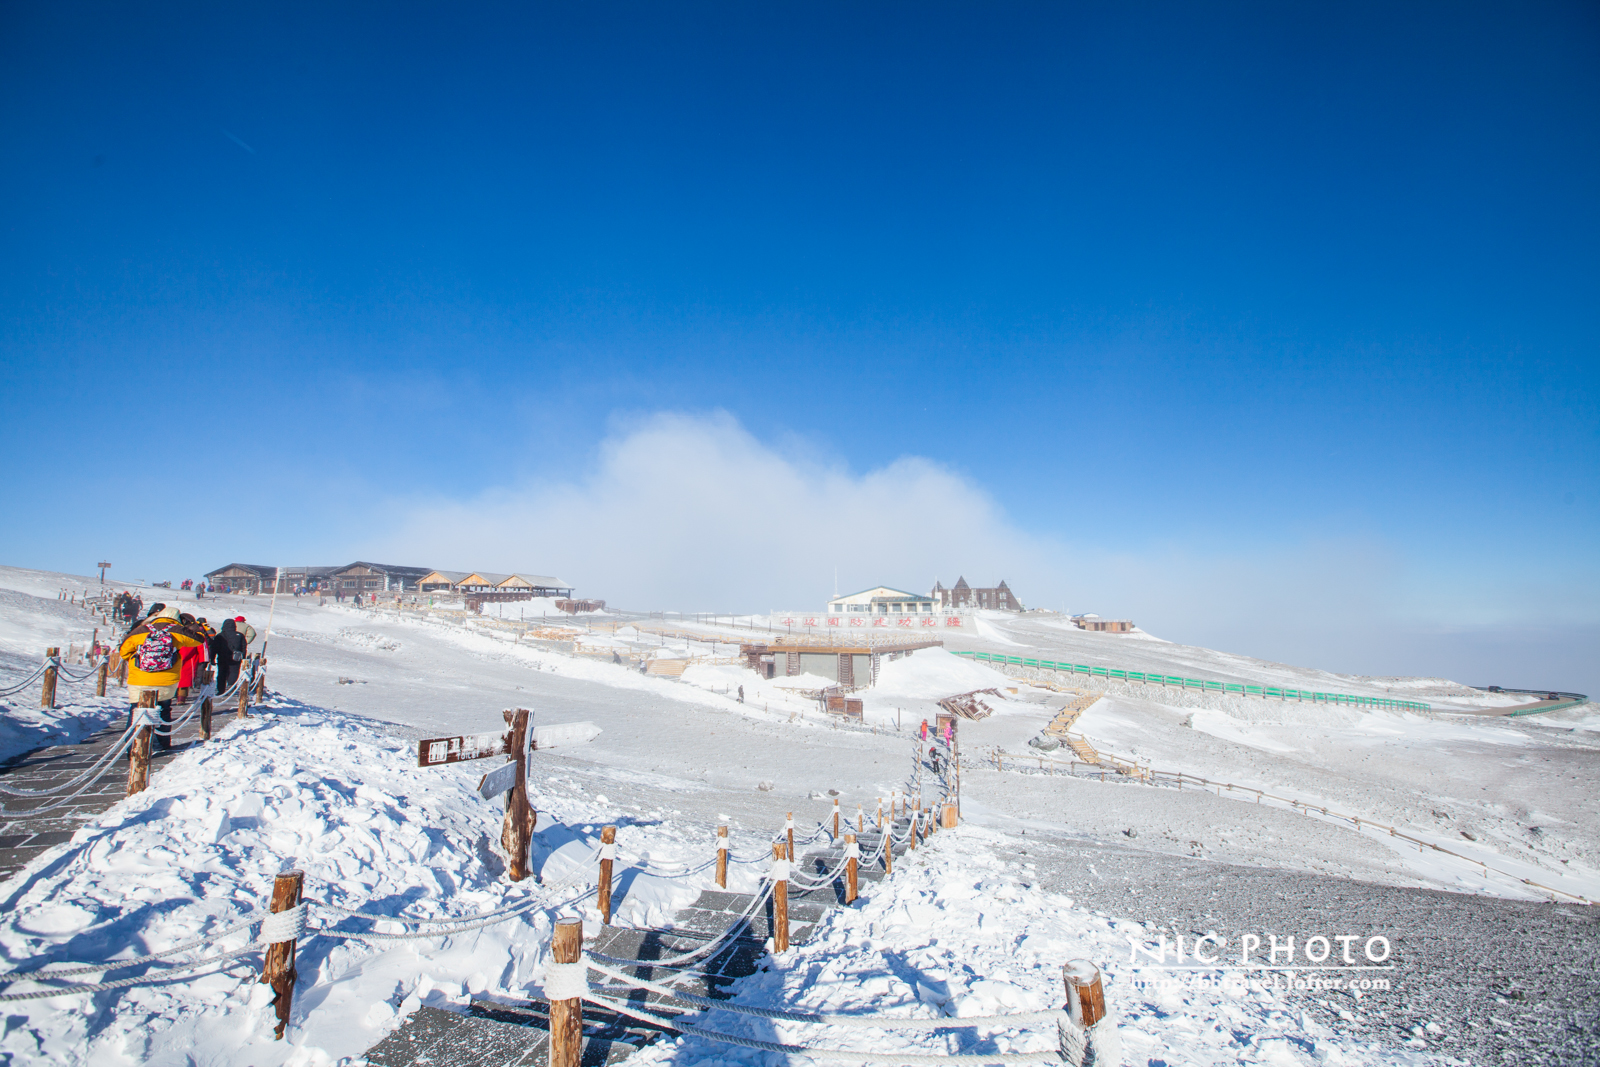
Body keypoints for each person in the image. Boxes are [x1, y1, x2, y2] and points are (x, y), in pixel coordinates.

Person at [119, 606, 205, 752]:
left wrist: (138, 662)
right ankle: (161, 745)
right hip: (166, 679)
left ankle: (132, 748)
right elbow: (199, 639)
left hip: (139, 679)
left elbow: (123, 652)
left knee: (135, 711)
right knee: (163, 710)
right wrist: (187, 627)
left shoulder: (142, 630)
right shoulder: (177, 631)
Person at [211, 618, 247, 693]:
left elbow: (214, 648)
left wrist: (212, 658)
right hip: (235, 658)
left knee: (222, 673)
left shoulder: (220, 636)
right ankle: (231, 687)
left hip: (222, 657)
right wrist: (243, 657)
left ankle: (221, 690)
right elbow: (243, 647)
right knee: (234, 672)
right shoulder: (240, 635)